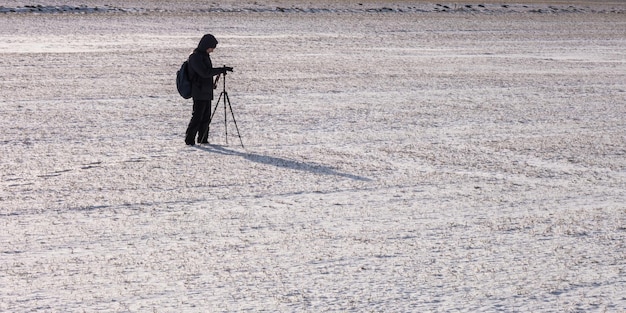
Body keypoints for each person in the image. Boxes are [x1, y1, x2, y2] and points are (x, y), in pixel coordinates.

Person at [185, 34, 232, 146]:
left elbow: (208, 72)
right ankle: (189, 139)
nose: (212, 50)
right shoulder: (195, 57)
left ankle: (203, 138)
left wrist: (220, 71)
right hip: (199, 91)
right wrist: (220, 70)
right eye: (212, 47)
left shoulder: (204, 56)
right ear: (206, 45)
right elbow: (204, 72)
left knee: (206, 117)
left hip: (206, 91)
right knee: (197, 116)